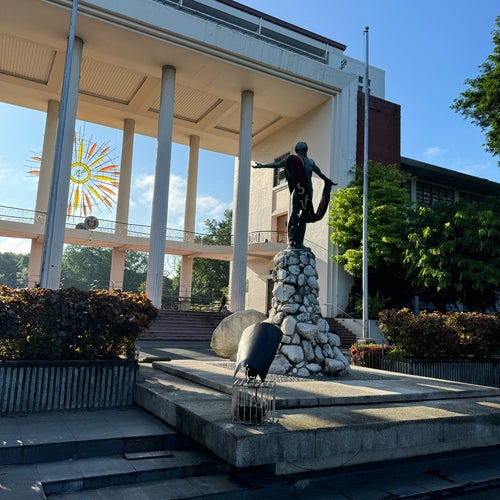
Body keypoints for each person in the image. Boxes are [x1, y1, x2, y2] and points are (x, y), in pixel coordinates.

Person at [252, 141, 337, 248]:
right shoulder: (293, 160)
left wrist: (328, 181)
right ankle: (292, 242)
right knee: (295, 214)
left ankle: (300, 243)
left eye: (304, 147)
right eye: (302, 148)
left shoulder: (311, 162)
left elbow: (320, 174)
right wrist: (263, 166)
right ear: (299, 150)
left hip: (308, 191)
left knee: (304, 217)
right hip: (298, 190)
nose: (304, 149)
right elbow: (278, 164)